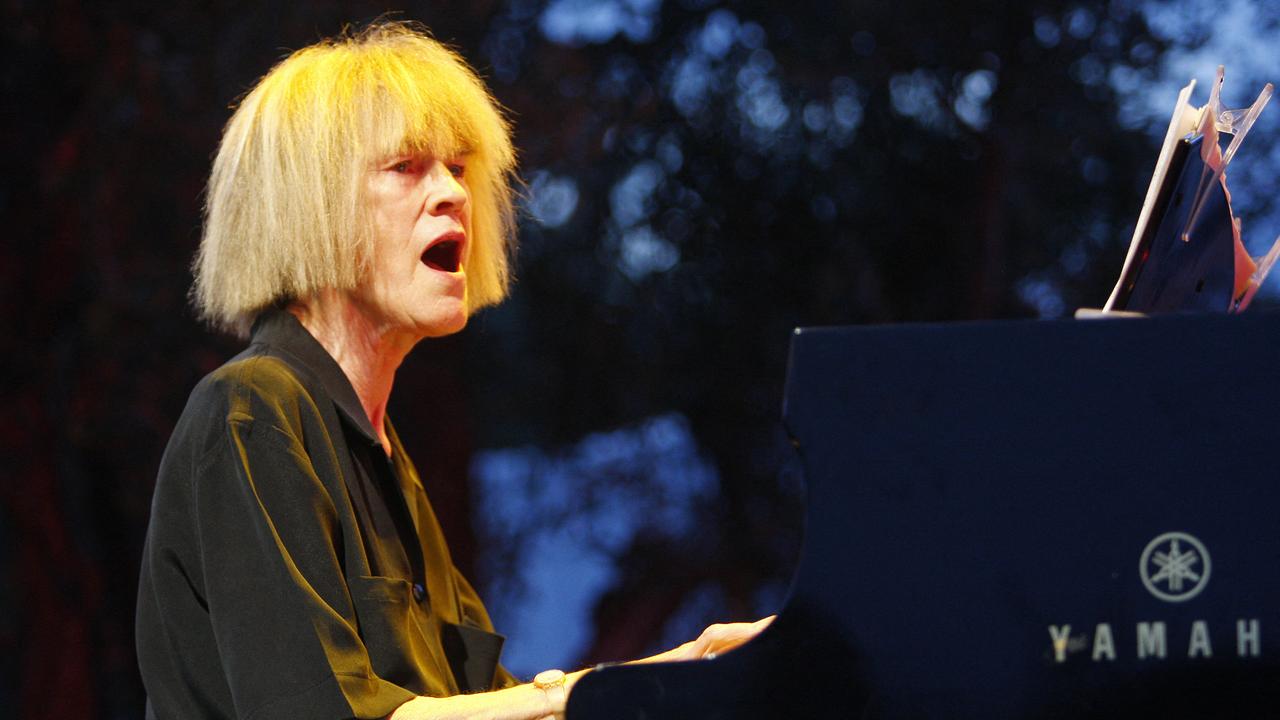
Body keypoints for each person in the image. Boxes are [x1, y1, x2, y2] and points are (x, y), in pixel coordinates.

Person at [135, 20, 769, 720]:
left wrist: (693, 666)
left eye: (459, 168)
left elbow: (483, 703)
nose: (452, 195)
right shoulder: (252, 414)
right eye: (405, 167)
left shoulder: (381, 453)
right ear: (304, 207)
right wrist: (583, 695)